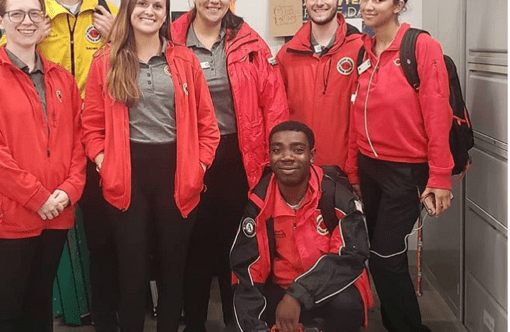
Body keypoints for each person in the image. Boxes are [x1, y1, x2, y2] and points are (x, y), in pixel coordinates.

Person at [81, 0, 220, 331]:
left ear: (165, 13)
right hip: (127, 180)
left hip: (177, 178)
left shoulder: (184, 60)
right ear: (128, 10)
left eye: (158, 5)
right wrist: (105, 163)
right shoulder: (106, 60)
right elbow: (91, 126)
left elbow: (208, 127)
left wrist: (197, 168)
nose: (150, 11)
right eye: (142, 3)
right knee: (132, 274)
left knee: (174, 271)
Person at [0, 0, 86, 329]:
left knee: (39, 301)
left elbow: (78, 142)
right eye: (17, 13)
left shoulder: (63, 80)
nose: (27, 21)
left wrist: (68, 190)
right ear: (0, 21)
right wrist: (37, 198)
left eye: (34, 13)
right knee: (6, 307)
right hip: (8, 217)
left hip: (56, 213)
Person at [0, 0, 120, 329]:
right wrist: (32, 36)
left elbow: (136, 60)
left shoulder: (107, 12)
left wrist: (119, 36)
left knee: (103, 240)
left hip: (99, 143)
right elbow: (4, 62)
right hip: (48, 147)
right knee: (35, 249)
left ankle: (105, 319)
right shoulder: (36, 13)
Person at [171, 2, 289, 330]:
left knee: (233, 248)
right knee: (191, 247)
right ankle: (193, 322)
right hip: (188, 158)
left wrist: (274, 162)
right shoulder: (171, 37)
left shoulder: (248, 41)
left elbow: (274, 105)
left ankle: (234, 322)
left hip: (237, 159)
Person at [345, 1, 454, 331]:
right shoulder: (365, 50)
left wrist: (440, 176)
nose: (367, 5)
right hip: (369, 167)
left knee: (385, 259)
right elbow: (355, 115)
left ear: (399, 5)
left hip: (406, 171)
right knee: (380, 258)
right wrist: (353, 169)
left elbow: (438, 116)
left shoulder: (420, 46)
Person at [229, 121, 372, 332]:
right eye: (277, 150)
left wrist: (297, 294)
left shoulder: (337, 196)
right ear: (269, 156)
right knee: (239, 324)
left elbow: (351, 256)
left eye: (298, 150)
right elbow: (247, 271)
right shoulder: (259, 204)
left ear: (312, 156)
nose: (287, 157)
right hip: (279, 288)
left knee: (346, 305)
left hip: (328, 288)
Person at [276, 0, 361, 170]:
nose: (319, 3)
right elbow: (277, 115)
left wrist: (354, 169)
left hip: (346, 168)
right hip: (299, 170)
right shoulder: (286, 55)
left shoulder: (360, 48)